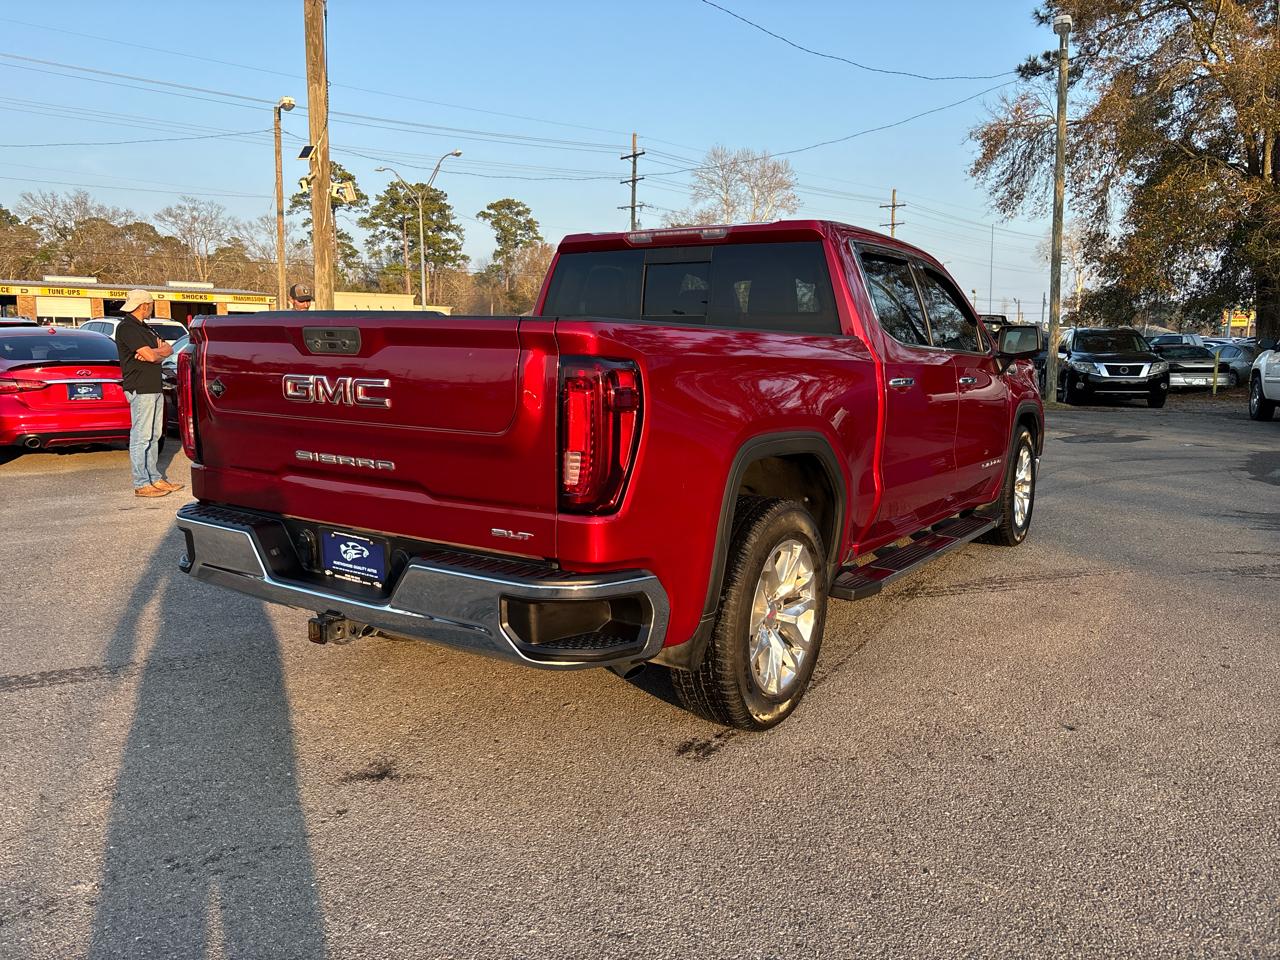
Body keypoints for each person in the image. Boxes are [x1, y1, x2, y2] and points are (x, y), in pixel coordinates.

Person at [115, 289, 180, 498]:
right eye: (150, 305)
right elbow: (149, 356)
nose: (151, 308)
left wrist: (157, 353)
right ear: (144, 305)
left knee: (154, 435)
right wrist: (154, 354)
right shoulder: (127, 328)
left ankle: (154, 477)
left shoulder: (146, 328)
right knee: (141, 437)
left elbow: (168, 350)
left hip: (154, 386)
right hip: (140, 387)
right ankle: (141, 482)